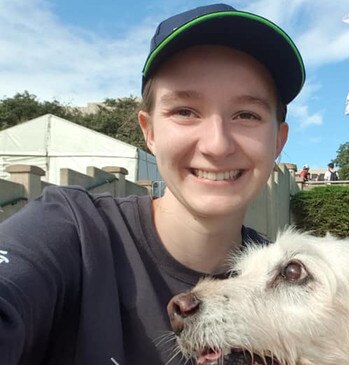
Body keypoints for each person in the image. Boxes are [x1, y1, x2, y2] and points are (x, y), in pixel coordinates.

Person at [0, 4, 304, 364]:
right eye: (185, 112)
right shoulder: (71, 231)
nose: (217, 144)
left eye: (246, 115)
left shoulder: (297, 286)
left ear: (278, 141)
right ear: (150, 132)